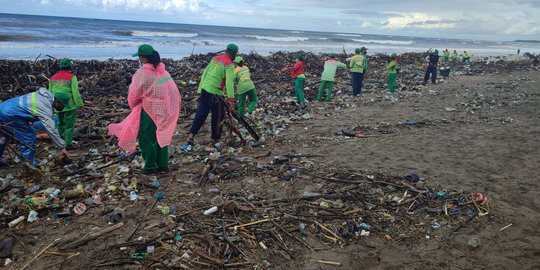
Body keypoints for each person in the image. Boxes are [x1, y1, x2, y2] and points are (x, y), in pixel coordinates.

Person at [108, 44, 181, 174]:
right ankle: (163, 165)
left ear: (143, 58)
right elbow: (172, 90)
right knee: (162, 135)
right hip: (165, 109)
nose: (139, 60)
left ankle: (149, 166)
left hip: (150, 110)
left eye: (140, 57)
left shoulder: (143, 73)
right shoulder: (163, 71)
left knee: (147, 137)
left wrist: (134, 105)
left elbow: (134, 93)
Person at [181, 44, 238, 151]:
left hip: (205, 88)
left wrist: (200, 88)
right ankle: (214, 140)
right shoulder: (229, 65)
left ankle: (191, 135)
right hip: (215, 93)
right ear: (234, 54)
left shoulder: (215, 59)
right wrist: (231, 100)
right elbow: (230, 82)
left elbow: (205, 73)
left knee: (201, 114)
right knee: (218, 117)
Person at [0, 87, 68, 166]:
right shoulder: (44, 106)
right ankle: (28, 163)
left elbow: (26, 109)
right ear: (57, 102)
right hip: (10, 114)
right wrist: (61, 147)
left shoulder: (42, 96)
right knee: (29, 135)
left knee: (3, 137)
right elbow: (51, 129)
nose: (62, 107)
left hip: (3, 108)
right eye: (63, 105)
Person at [49, 58, 84, 150]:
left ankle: (57, 143)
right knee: (69, 125)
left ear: (60, 66)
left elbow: (49, 92)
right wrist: (80, 104)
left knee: (60, 124)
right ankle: (68, 144)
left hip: (57, 105)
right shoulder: (72, 77)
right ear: (70, 66)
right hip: (69, 105)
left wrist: (51, 105)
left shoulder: (53, 78)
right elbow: (75, 93)